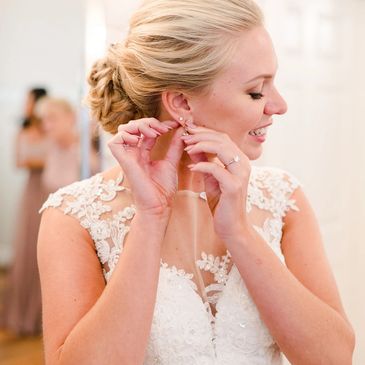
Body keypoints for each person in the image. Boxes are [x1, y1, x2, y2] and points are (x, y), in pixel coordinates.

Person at [37, 0, 355, 364]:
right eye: (256, 91)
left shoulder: (282, 199)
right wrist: (150, 218)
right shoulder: (73, 217)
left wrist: (239, 233)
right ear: (182, 103)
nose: (279, 105)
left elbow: (333, 358)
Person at [0, 87, 48, 335]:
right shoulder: (23, 130)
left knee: (46, 246)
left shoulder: (50, 128)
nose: (26, 104)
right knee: (28, 244)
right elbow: (19, 162)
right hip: (32, 189)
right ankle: (23, 314)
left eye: (30, 100)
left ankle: (42, 313)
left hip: (50, 187)